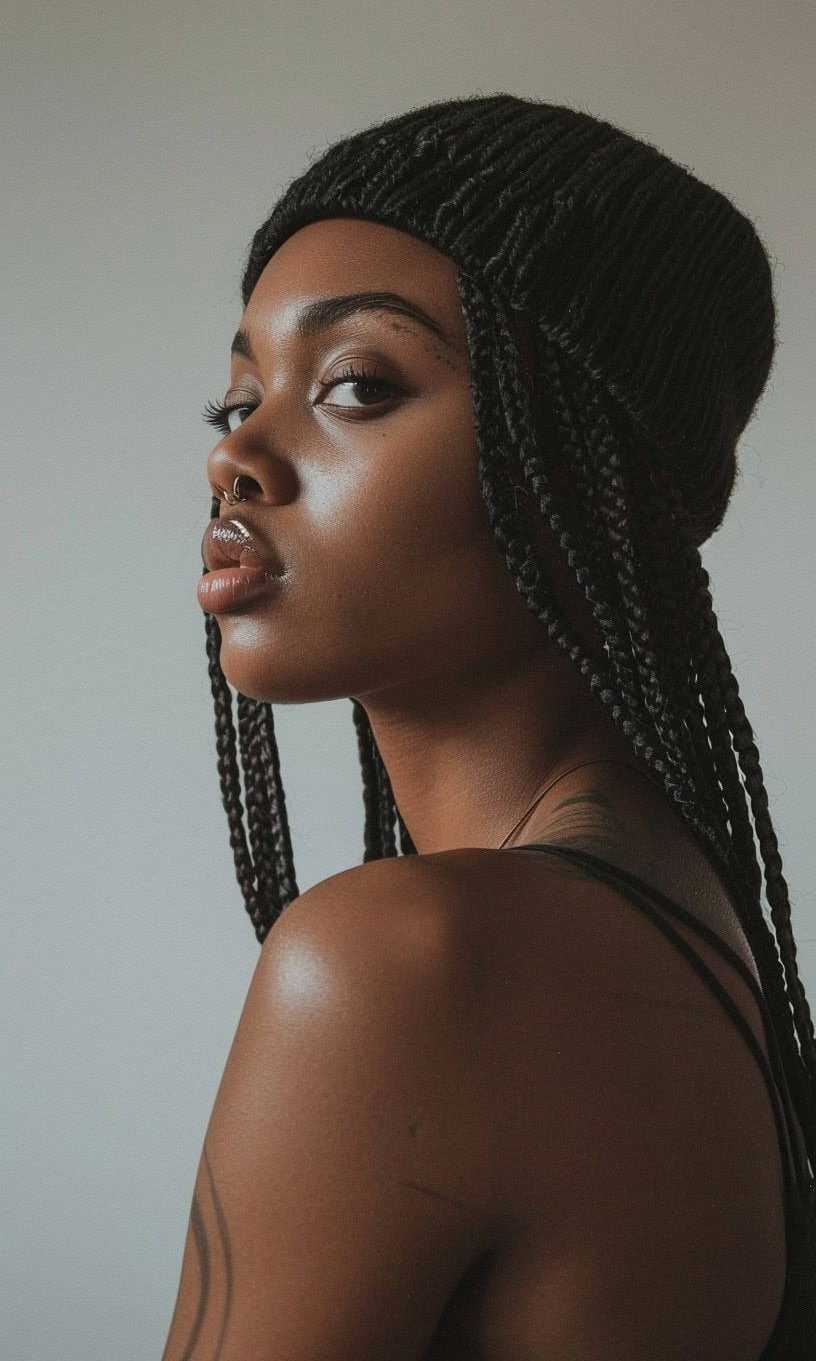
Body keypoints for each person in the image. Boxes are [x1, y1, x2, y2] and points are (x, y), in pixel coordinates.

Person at [163, 95, 816, 1359]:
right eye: (235, 398)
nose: (235, 456)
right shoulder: (709, 939)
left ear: (586, 473)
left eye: (357, 384)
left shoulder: (406, 961)